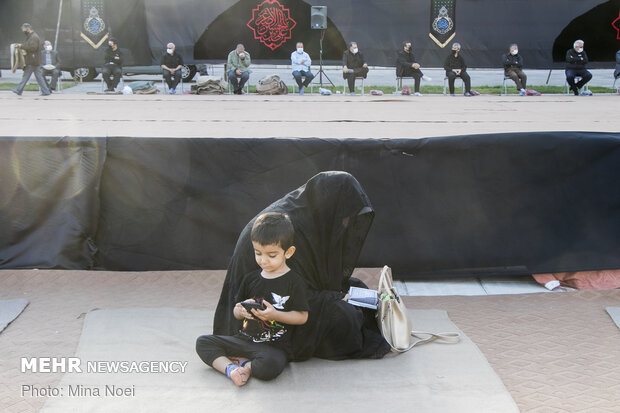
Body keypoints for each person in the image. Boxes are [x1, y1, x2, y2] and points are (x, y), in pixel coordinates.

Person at [213, 171, 390, 363]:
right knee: (345, 316)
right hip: (268, 303)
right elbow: (289, 293)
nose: (346, 222)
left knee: (358, 290)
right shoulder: (291, 230)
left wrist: (340, 294)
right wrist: (337, 297)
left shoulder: (309, 214)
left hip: (286, 286)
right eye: (344, 215)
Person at [196, 212, 309, 386]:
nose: (263, 261)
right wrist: (240, 311)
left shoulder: (294, 281)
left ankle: (246, 366)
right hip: (244, 340)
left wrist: (275, 315)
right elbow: (236, 311)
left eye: (272, 255)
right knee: (203, 342)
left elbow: (302, 316)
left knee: (269, 366)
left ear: (288, 252)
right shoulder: (250, 279)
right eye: (258, 253)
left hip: (274, 347)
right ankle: (232, 369)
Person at [11, 23, 50, 96]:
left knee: (26, 76)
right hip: (34, 60)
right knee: (39, 77)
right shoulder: (32, 36)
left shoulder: (33, 37)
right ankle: (46, 91)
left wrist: (21, 46)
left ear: (28, 29)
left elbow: (33, 48)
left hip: (32, 60)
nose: (23, 31)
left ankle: (19, 90)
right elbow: (30, 46)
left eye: (23, 29)